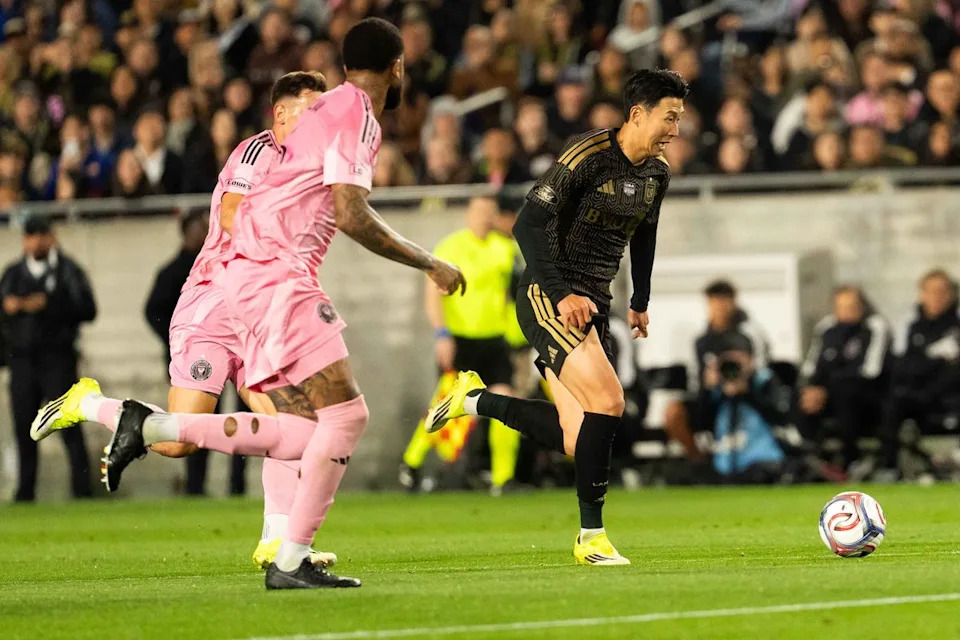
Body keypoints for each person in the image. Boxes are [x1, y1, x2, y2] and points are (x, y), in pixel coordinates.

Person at [61, 19, 462, 590]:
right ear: (397, 66)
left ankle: (271, 531)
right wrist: (430, 261)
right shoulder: (340, 118)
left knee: (294, 428)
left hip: (257, 283)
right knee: (343, 417)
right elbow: (334, 213)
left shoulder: (321, 121)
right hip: (242, 287)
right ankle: (289, 555)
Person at [32, 72, 332, 569]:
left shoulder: (310, 166)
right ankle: (89, 403)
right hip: (213, 304)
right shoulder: (257, 153)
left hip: (260, 310)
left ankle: (277, 542)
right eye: (311, 110)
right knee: (176, 443)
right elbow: (234, 212)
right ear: (282, 114)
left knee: (290, 425)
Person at [425, 69, 689, 566]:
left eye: (679, 118)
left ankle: (474, 400)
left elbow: (645, 235)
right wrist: (563, 291)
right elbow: (527, 225)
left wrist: (641, 300)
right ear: (638, 114)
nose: (675, 129)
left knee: (577, 435)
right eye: (669, 118)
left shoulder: (656, 172)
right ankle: (592, 538)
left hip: (595, 304)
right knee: (609, 402)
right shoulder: (586, 156)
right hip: (549, 295)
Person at [400, 197, 520, 494]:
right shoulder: (450, 248)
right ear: (468, 215)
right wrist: (442, 334)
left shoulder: (504, 249)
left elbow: (510, 295)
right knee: (445, 406)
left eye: (489, 212)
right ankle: (412, 462)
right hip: (460, 340)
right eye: (478, 211)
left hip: (494, 340)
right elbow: (433, 294)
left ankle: (503, 479)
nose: (483, 217)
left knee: (507, 402)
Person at [143, 209, 247, 497]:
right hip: (199, 351)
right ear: (186, 233)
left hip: (239, 346)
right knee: (192, 425)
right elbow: (154, 311)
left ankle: (238, 486)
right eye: (199, 228)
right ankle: (195, 486)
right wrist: (180, 341)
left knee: (251, 418)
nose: (205, 232)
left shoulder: (226, 262)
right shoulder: (175, 271)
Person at [1, 216, 96, 502]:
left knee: (68, 425)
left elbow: (88, 309)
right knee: (24, 429)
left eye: (41, 235)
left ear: (52, 237)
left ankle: (82, 490)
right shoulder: (13, 274)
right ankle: (25, 491)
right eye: (31, 236)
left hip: (58, 361)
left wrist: (50, 305)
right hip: (23, 361)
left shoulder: (67, 271)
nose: (36, 242)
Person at [663, 280, 770, 464]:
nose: (718, 308)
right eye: (714, 303)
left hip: (747, 397)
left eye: (723, 302)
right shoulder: (702, 341)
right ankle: (699, 461)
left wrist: (743, 378)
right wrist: (709, 382)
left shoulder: (750, 334)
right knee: (673, 411)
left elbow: (762, 370)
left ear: (733, 303)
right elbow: (696, 380)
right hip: (711, 398)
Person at [798, 286, 890, 471]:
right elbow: (811, 366)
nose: (847, 312)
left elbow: (870, 372)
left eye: (852, 306)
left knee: (846, 395)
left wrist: (826, 390)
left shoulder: (875, 326)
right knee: (799, 397)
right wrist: (812, 389)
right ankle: (806, 458)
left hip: (866, 396)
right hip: (826, 394)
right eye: (842, 307)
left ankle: (851, 459)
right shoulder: (826, 328)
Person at [878, 269, 960, 477]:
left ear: (952, 294)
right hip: (916, 395)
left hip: (950, 396)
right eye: (931, 291)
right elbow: (900, 365)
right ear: (921, 294)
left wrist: (924, 361)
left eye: (942, 291)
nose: (936, 297)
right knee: (892, 403)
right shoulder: (909, 324)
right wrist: (933, 357)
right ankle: (888, 467)